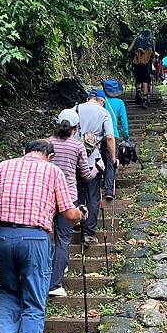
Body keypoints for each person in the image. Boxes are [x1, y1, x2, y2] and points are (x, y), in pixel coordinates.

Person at [0, 140, 87, 333]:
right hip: (34, 238)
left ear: (24, 151)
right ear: (50, 155)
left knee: (7, 290)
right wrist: (81, 214)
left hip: (2, 237)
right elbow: (68, 213)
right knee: (34, 301)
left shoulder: (3, 167)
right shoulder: (52, 170)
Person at [48, 109, 105, 297]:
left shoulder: (46, 143)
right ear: (75, 128)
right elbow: (86, 177)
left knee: (47, 238)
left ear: (57, 124)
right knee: (63, 239)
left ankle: (51, 271)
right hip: (68, 197)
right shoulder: (77, 146)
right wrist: (97, 168)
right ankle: (55, 284)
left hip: (47, 197)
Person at [75, 89, 117, 246]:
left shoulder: (76, 108)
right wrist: (112, 159)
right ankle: (88, 233)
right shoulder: (104, 112)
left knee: (78, 192)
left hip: (75, 160)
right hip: (93, 160)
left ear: (88, 98)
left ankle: (77, 219)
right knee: (93, 197)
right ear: (102, 100)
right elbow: (111, 137)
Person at [101, 79, 129, 201]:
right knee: (111, 161)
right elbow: (124, 123)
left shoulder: (101, 101)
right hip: (114, 135)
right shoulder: (120, 103)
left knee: (100, 160)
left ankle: (100, 184)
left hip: (99, 135)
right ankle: (109, 190)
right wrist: (126, 137)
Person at [128, 29, 155, 108]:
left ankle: (138, 93)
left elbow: (129, 50)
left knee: (138, 80)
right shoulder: (151, 40)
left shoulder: (137, 39)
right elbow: (153, 53)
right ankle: (145, 99)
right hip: (146, 64)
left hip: (136, 63)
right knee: (145, 81)